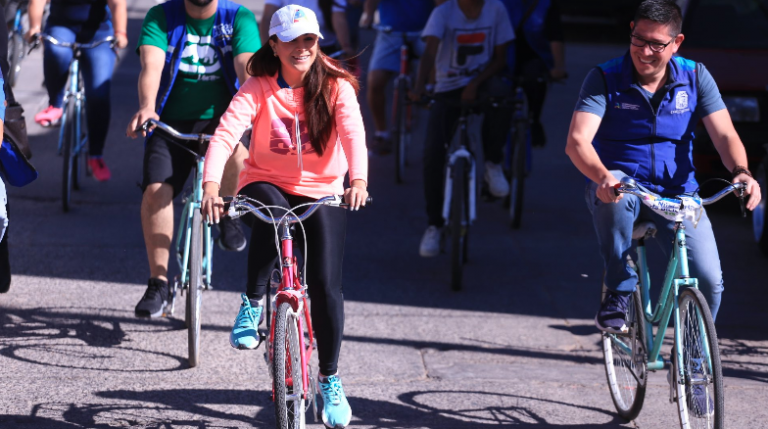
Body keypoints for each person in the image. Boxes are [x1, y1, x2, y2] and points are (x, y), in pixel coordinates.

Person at [201, 6, 368, 427]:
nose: (302, 48)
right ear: (273, 45)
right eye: (292, 40)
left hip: (323, 190)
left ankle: (329, 379)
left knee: (328, 287)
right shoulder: (257, 87)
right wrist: (209, 186)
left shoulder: (336, 86)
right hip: (266, 181)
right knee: (271, 211)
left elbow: (353, 135)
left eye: (309, 39)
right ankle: (252, 302)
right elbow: (225, 134)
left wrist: (359, 182)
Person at [565, 0, 761, 335]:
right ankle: (618, 288)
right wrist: (602, 177)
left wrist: (742, 172)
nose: (644, 52)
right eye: (639, 40)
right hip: (621, 187)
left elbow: (725, 133)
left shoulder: (696, 76)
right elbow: (577, 141)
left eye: (657, 44)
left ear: (677, 43)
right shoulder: (604, 77)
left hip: (678, 195)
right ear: (631, 31)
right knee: (620, 190)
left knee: (710, 283)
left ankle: (693, 361)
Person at [126, 0, 260, 318]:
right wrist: (147, 107)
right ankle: (158, 282)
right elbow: (151, 66)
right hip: (170, 123)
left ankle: (228, 211)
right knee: (156, 190)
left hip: (223, 122)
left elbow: (246, 66)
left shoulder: (237, 18)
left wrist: (256, 110)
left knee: (238, 155)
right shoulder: (161, 16)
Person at [409, 0, 515, 257]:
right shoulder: (443, 13)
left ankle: (492, 163)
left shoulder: (496, 9)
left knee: (503, 97)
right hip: (448, 87)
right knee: (432, 153)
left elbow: (501, 60)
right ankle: (434, 225)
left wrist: (475, 84)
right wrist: (419, 87)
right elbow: (430, 53)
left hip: (484, 82)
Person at [25, 0, 127, 182]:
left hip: (98, 32)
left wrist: (120, 33)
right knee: (56, 53)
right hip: (61, 27)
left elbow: (117, 4)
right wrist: (34, 27)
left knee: (99, 93)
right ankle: (55, 105)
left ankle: (96, 155)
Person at [360, 0, 434, 154]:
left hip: (424, 32)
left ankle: (429, 90)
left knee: (437, 63)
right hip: (390, 32)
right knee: (375, 82)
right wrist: (368, 15)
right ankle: (382, 133)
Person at [499, 0, 566, 147]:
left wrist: (558, 67)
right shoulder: (500, 3)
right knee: (498, 98)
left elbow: (555, 35)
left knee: (537, 80)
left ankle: (534, 119)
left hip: (534, 57)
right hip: (503, 57)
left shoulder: (546, 5)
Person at [260, 0, 355, 58]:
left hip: (326, 48)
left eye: (308, 38)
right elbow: (267, 17)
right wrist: (267, 49)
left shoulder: (342, 86)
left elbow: (339, 19)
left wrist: (345, 46)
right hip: (287, 46)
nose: (302, 48)